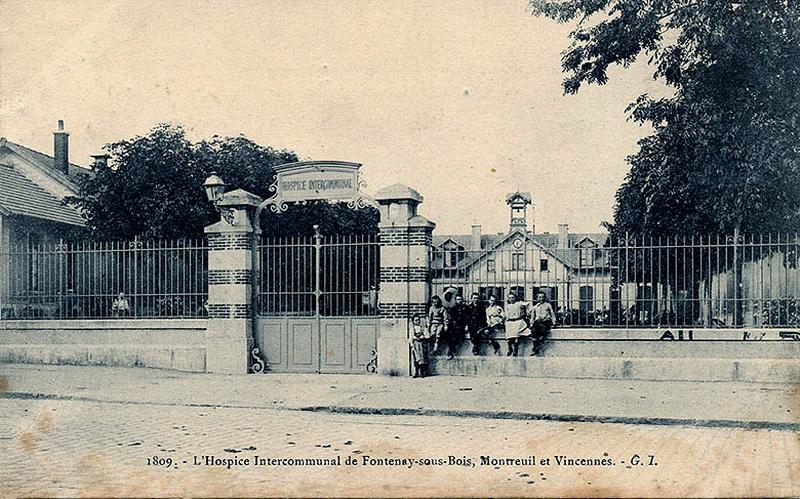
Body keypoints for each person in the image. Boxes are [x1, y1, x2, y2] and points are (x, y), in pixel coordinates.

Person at [503, 291, 532, 356]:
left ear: (515, 298)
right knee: (508, 336)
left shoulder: (519, 303)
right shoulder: (507, 306)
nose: (511, 299)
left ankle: (515, 349)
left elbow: (528, 304)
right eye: (510, 298)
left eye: (513, 298)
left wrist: (527, 312)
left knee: (516, 336)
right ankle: (510, 348)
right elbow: (506, 315)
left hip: (518, 321)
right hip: (510, 321)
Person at [529, 291, 556, 356]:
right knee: (534, 333)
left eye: (543, 297)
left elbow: (552, 313)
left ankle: (535, 348)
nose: (541, 299)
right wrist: (531, 323)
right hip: (537, 323)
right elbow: (532, 316)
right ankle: (535, 347)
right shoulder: (535, 307)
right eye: (540, 297)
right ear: (537, 298)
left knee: (542, 333)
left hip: (545, 321)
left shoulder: (548, 305)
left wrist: (554, 322)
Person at [446, 295, 469, 359]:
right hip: (454, 325)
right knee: (449, 334)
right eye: (458, 299)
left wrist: (466, 325)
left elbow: (467, 318)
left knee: (457, 334)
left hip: (462, 326)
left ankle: (451, 351)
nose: (459, 301)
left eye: (460, 299)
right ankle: (451, 350)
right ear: (456, 300)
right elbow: (451, 319)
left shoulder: (466, 308)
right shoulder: (453, 309)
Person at [410, 314, 430, 378]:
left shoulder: (423, 328)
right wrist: (412, 345)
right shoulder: (412, 329)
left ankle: (422, 372)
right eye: (416, 320)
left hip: (422, 344)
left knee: (422, 358)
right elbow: (411, 338)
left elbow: (427, 336)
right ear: (413, 321)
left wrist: (423, 336)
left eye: (418, 320)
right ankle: (415, 372)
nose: (418, 321)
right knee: (416, 358)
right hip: (415, 345)